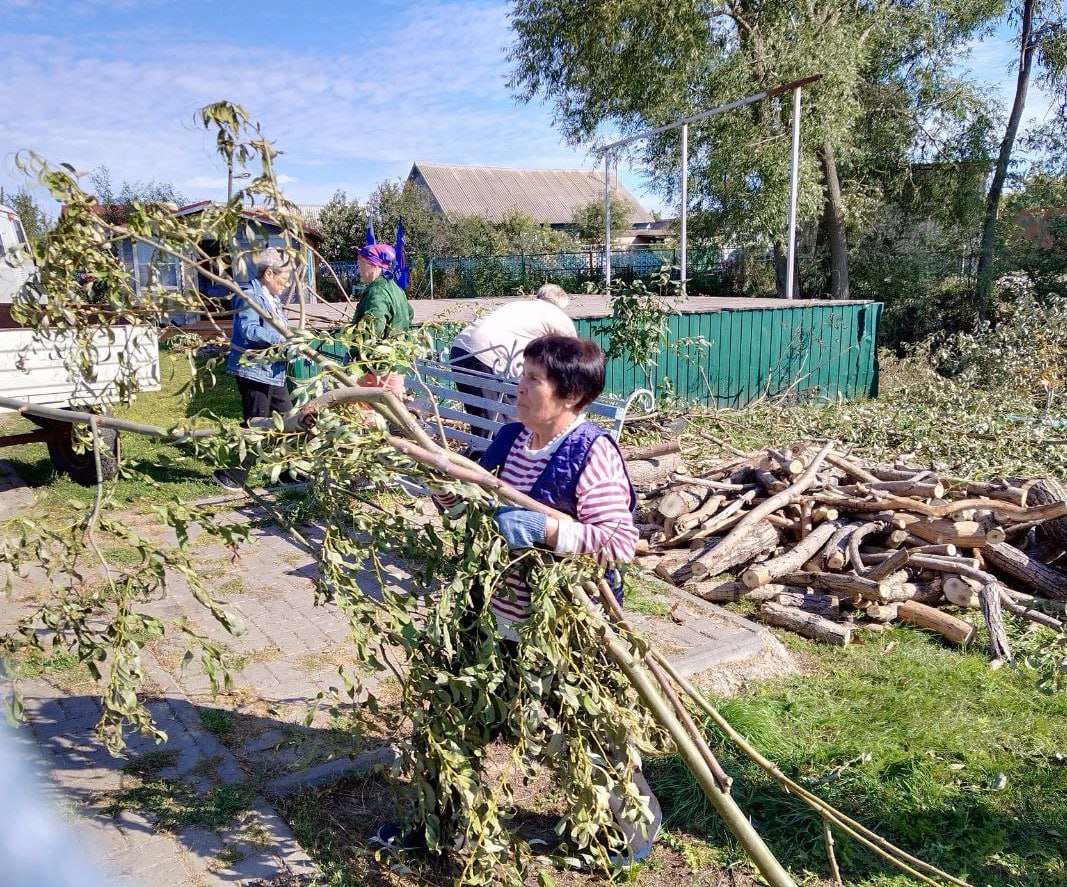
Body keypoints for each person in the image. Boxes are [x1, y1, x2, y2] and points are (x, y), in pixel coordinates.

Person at [378, 334, 661, 865]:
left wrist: (549, 531)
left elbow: (619, 544)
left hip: (564, 632)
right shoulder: (511, 438)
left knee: (573, 736)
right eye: (522, 374)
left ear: (571, 396)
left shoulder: (591, 453)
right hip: (493, 618)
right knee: (449, 718)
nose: (520, 386)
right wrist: (427, 458)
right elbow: (472, 502)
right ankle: (442, 824)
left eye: (534, 379)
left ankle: (624, 833)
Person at [214, 247, 295, 489]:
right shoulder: (249, 295)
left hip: (273, 372)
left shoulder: (272, 299)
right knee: (255, 423)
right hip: (255, 371)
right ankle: (235, 475)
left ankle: (288, 472)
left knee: (289, 421)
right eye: (284, 277)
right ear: (269, 273)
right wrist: (283, 339)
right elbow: (248, 331)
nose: (287, 283)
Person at [448, 284, 577, 433]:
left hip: (460, 350)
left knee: (483, 418)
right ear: (560, 305)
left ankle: (483, 452)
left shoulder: (520, 305)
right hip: (486, 356)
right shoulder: (557, 315)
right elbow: (575, 355)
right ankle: (492, 454)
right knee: (495, 425)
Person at [349, 242, 414, 396]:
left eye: (360, 264)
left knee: (366, 414)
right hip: (395, 362)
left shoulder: (377, 292)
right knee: (391, 411)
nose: (358, 269)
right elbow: (409, 313)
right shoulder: (395, 287)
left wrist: (355, 345)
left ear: (372, 265)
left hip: (377, 368)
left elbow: (374, 328)